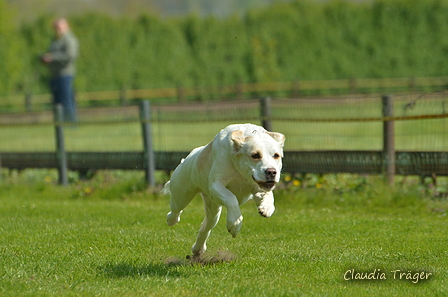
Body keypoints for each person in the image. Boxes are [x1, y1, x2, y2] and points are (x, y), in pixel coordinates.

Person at [41, 18, 79, 122]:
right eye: (56, 27)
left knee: (66, 100)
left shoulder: (69, 40)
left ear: (66, 26)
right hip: (54, 75)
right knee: (57, 102)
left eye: (60, 26)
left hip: (64, 74)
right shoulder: (55, 39)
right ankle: (60, 126)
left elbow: (70, 56)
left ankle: (70, 124)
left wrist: (52, 58)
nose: (58, 29)